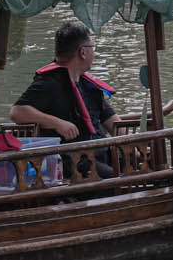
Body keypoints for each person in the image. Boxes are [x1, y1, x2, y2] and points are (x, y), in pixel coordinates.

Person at [10, 20, 121, 180]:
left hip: (101, 153)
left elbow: (112, 121)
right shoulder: (50, 82)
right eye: (92, 47)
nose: (93, 52)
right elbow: (17, 112)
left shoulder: (87, 84)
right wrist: (57, 123)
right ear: (83, 52)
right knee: (115, 178)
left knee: (141, 164)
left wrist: (138, 148)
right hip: (74, 162)